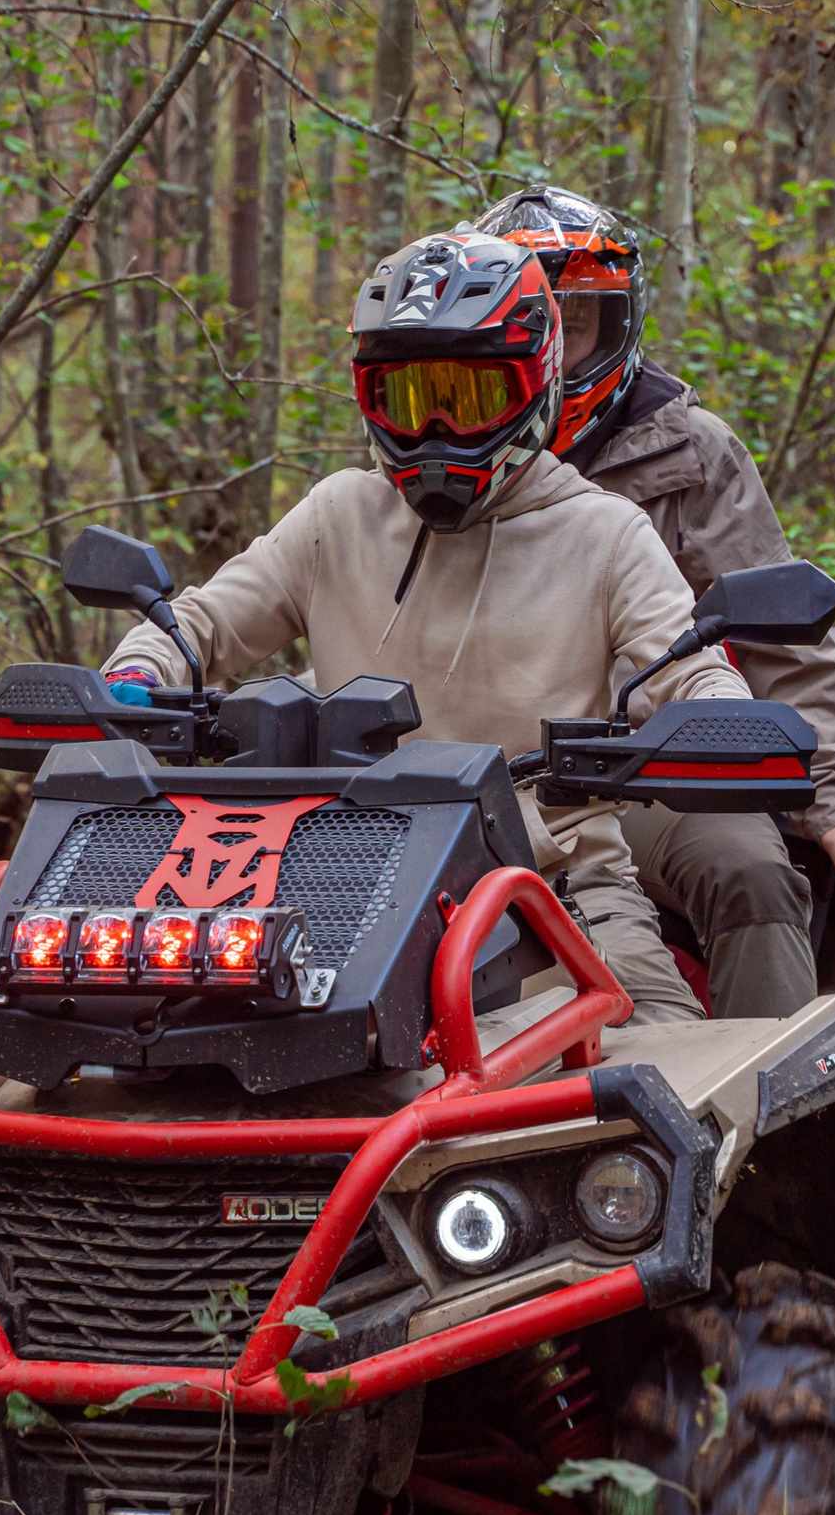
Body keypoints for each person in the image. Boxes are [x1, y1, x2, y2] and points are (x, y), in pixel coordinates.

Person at [98, 226, 753, 1025]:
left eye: (470, 396)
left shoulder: (607, 535)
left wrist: (723, 719)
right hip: (330, 881)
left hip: (558, 890)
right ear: (370, 398)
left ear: (535, 381)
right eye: (409, 400)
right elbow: (198, 624)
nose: (437, 431)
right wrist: (137, 673)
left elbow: (688, 666)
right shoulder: (339, 514)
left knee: (674, 1076)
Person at [475, 185, 835, 1019]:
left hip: (649, 773)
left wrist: (833, 793)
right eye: (537, 322)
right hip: (476, 769)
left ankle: (773, 1120)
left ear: (615, 325)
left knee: (753, 873)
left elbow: (780, 642)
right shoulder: (440, 450)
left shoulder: (690, 453)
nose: (556, 347)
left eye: (577, 322)